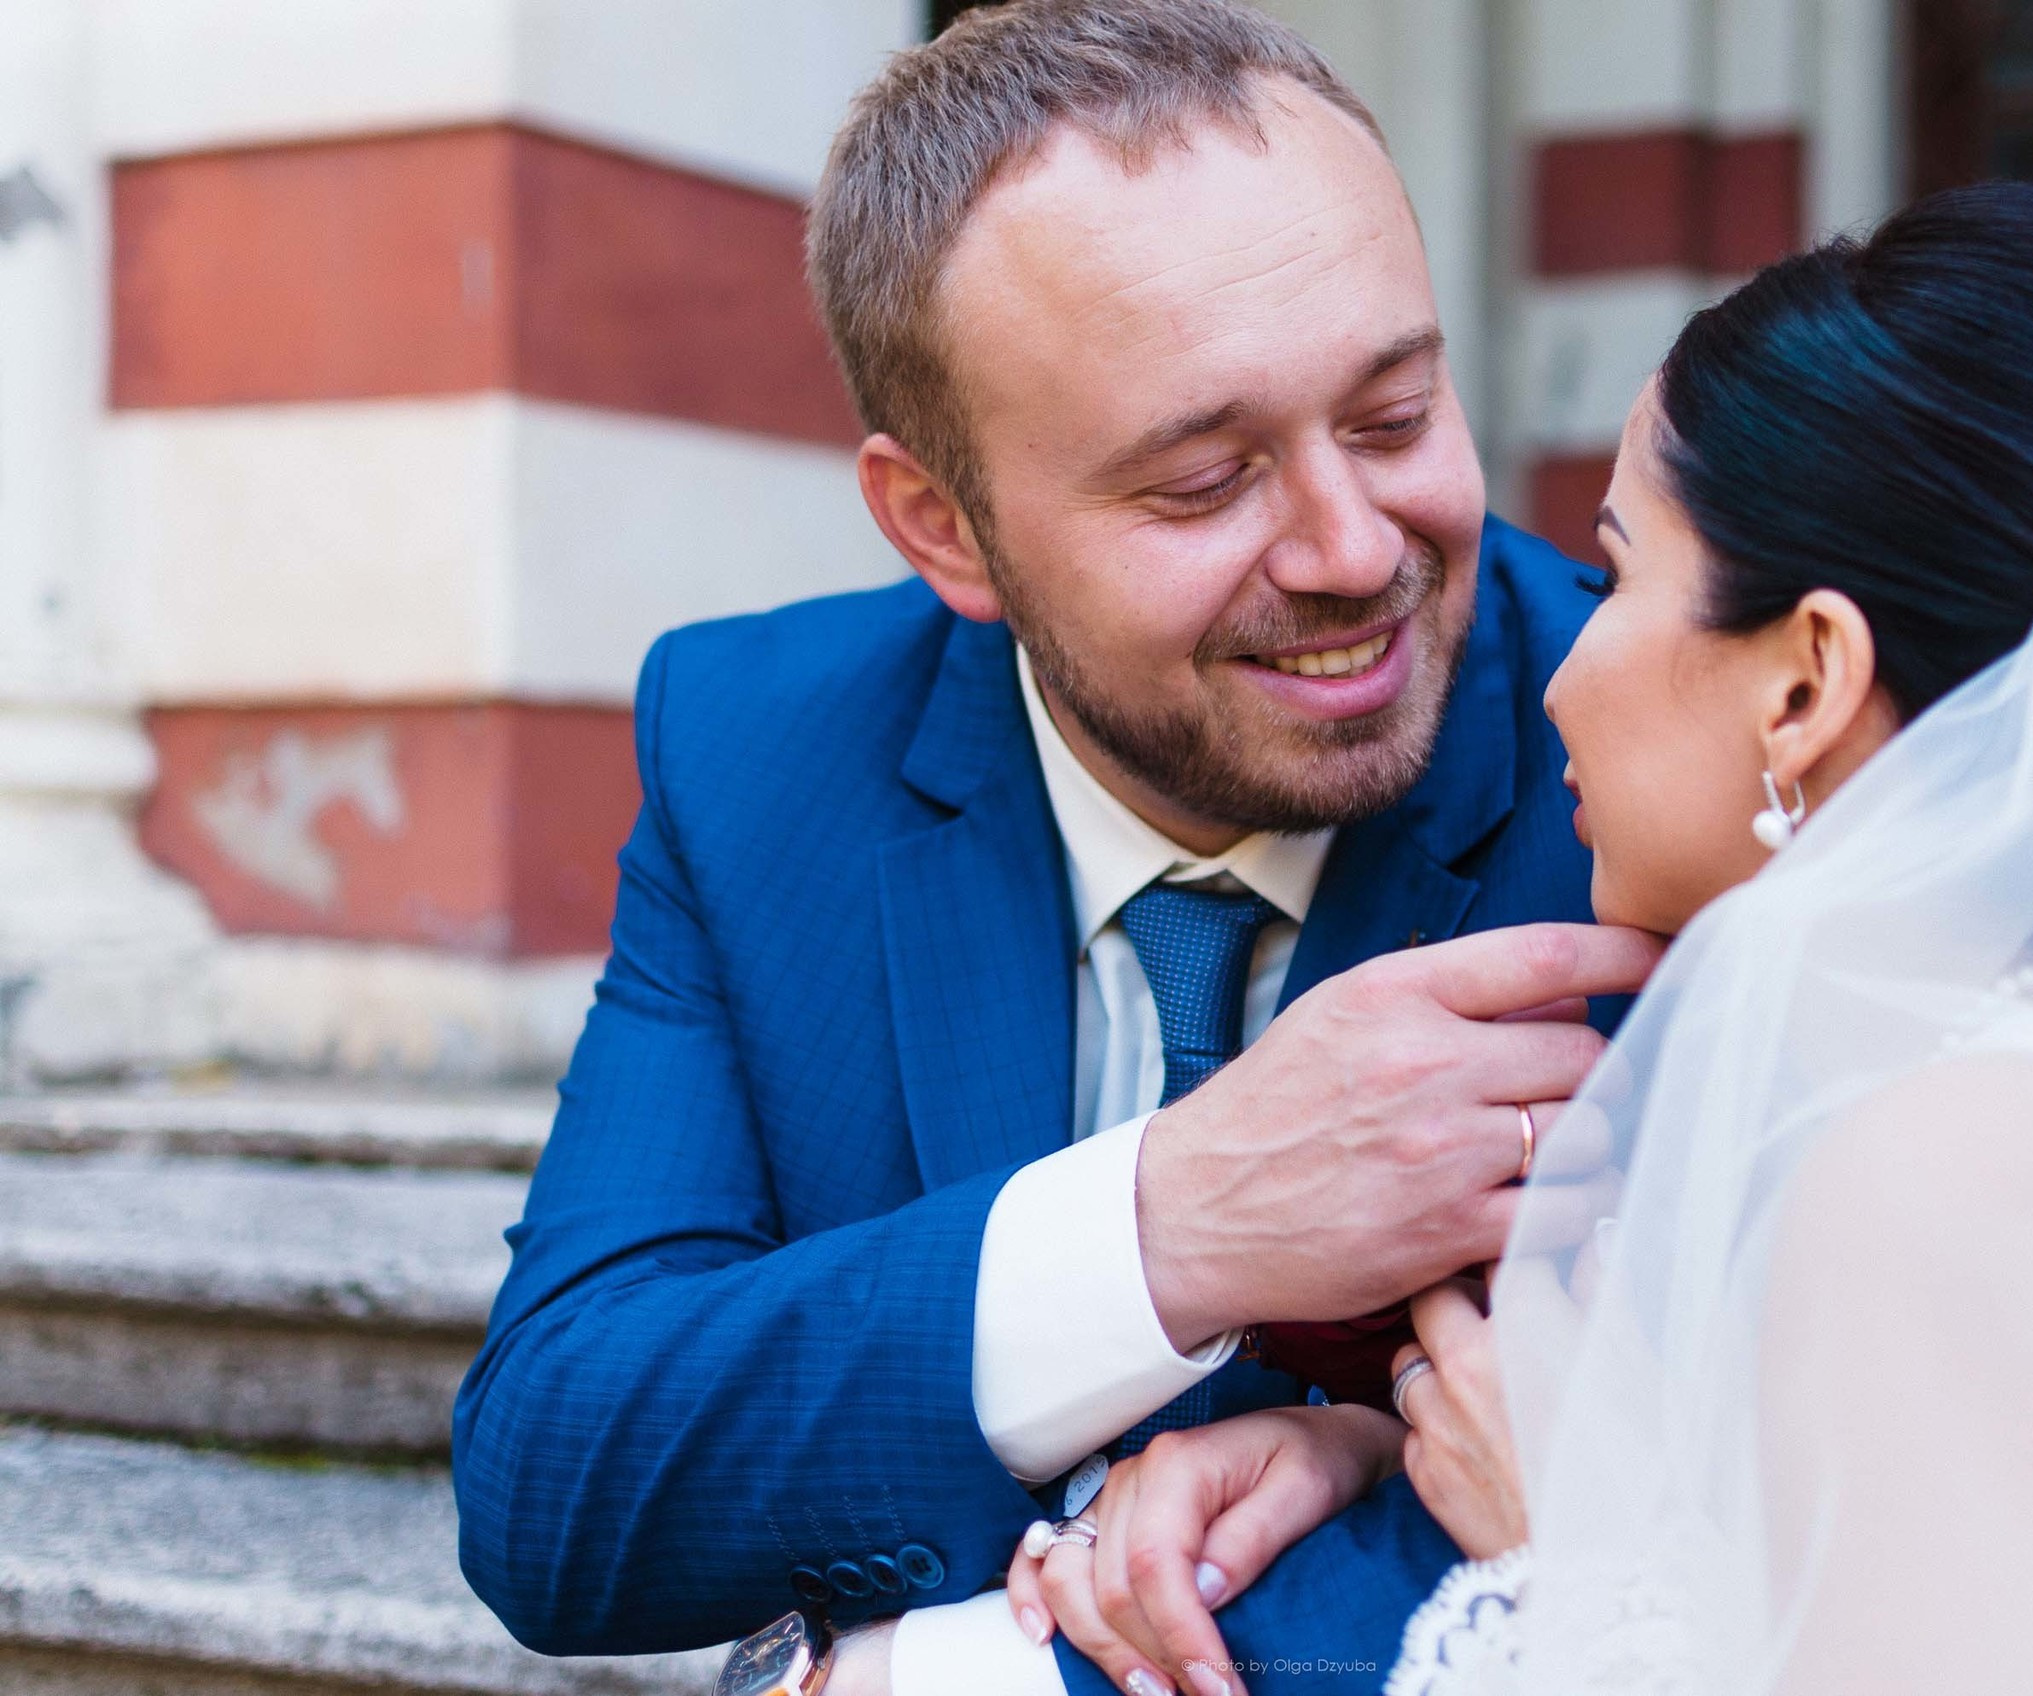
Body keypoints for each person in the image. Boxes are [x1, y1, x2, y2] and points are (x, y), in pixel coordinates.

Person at [1024, 183, 2033, 1695]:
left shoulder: (1974, 1172)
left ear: (1807, 682)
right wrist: (1371, 1446)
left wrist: (1587, 1584)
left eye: (1620, 576)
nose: (1562, 671)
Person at [446, 4, 1661, 1695]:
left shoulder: (1657, 767)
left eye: (1392, 415)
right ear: (942, 523)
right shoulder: (762, 749)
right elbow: (560, 1481)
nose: (1351, 547)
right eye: (1202, 482)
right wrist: (1169, 1228)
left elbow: (1799, 1508)